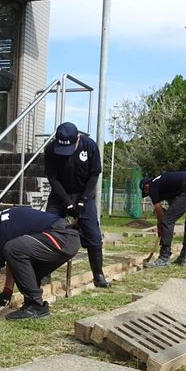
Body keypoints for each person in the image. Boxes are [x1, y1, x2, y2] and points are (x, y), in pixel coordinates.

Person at [43, 121, 110, 287]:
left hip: (83, 194)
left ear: (78, 138)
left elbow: (94, 174)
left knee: (93, 235)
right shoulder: (51, 149)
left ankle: (98, 275)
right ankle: (44, 272)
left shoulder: (89, 146)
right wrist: (66, 203)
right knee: (47, 229)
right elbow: (53, 178)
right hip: (60, 195)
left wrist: (82, 201)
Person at [140, 171, 186, 267]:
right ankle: (183, 257)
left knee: (167, 220)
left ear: (146, 186)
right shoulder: (166, 184)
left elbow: (159, 210)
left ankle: (164, 257)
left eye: (146, 192)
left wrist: (160, 226)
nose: (148, 194)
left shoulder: (153, 185)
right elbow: (173, 206)